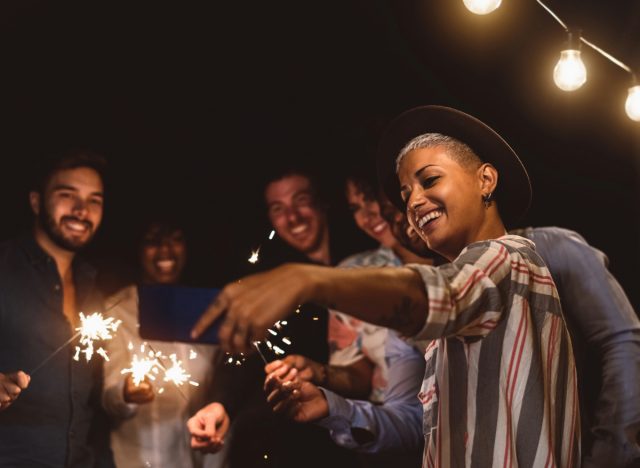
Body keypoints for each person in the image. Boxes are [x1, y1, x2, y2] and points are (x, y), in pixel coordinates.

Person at [192, 105, 581, 467]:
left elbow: (441, 293)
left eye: (429, 180)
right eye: (405, 193)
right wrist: (330, 407)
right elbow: (411, 424)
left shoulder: (509, 259)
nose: (413, 202)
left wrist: (307, 279)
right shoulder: (449, 323)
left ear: (486, 179)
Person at [197, 167, 357, 467]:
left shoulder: (367, 259)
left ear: (322, 203)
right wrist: (220, 404)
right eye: (278, 209)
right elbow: (242, 353)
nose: (293, 217)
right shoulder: (270, 280)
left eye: (301, 201)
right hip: (298, 447)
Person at [0, 150, 113, 467]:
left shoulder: (95, 291)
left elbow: (95, 406)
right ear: (36, 202)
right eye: (67, 195)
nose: (81, 210)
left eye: (95, 200)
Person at [102, 220, 219, 468]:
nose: (164, 249)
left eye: (174, 238)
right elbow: (110, 398)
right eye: (152, 240)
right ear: (137, 248)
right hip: (135, 461)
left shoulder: (209, 307)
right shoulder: (118, 308)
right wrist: (127, 394)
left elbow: (224, 382)